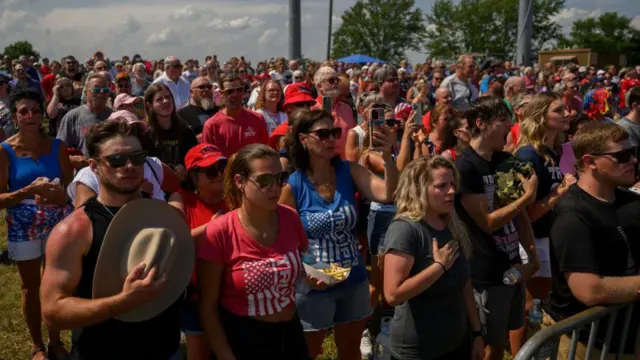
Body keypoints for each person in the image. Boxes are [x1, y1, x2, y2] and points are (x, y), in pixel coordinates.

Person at [40, 120, 185, 360]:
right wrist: (123, 302)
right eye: (116, 160)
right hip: (102, 352)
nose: (129, 166)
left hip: (167, 350)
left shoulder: (160, 212)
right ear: (94, 167)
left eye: (137, 157)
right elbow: (52, 310)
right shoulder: (74, 230)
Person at [279, 108, 399, 359]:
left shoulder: (349, 170)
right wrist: (309, 269)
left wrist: (388, 158)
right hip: (314, 284)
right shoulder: (294, 185)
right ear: (303, 139)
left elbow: (387, 194)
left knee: (350, 350)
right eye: (322, 134)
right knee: (308, 352)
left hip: (353, 279)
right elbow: (283, 239)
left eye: (334, 132)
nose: (331, 139)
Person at [197, 144, 310, 359]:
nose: (275, 188)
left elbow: (305, 262)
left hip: (291, 334)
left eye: (280, 178)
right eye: (264, 181)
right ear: (240, 182)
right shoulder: (220, 232)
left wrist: (321, 273)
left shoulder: (290, 217)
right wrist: (225, 355)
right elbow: (207, 307)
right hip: (244, 339)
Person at [545, 122, 640, 360]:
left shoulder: (632, 203)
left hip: (626, 337)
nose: (633, 161)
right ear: (590, 162)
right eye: (622, 156)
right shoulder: (572, 214)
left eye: (634, 153)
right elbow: (589, 289)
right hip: (584, 344)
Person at [454, 96, 539, 360]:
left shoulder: (503, 159)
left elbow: (520, 215)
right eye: (503, 120)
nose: (509, 127)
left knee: (501, 340)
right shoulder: (466, 166)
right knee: (485, 346)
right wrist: (527, 196)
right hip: (484, 272)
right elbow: (488, 222)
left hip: (511, 263)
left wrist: (531, 256)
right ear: (480, 123)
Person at [383, 156, 484, 360]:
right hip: (418, 351)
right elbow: (392, 295)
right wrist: (438, 267)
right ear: (419, 189)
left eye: (452, 184)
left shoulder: (452, 224)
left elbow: (464, 285)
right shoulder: (405, 230)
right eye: (441, 186)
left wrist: (477, 333)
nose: (452, 191)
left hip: (457, 344)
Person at [0, 89, 73, 360]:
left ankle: (55, 340)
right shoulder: (5, 151)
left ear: (42, 115)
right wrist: (26, 192)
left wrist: (59, 194)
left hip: (56, 221)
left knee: (54, 282)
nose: (30, 116)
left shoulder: (57, 146)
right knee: (30, 286)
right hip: (22, 224)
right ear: (15, 116)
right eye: (23, 111)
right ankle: (37, 345)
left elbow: (72, 189)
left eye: (35, 110)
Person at [510, 91, 577, 353]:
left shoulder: (554, 151)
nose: (567, 114)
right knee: (527, 306)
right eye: (559, 110)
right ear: (540, 117)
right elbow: (524, 213)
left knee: (539, 304)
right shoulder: (528, 155)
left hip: (551, 237)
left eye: (566, 109)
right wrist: (560, 192)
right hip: (533, 239)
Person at [168, 143, 227, 360]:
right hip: (195, 294)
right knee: (199, 351)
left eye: (223, 166)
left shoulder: (237, 197)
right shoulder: (181, 199)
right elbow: (176, 244)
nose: (220, 174)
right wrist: (212, 227)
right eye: (211, 171)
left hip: (231, 291)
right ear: (194, 177)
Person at [202, 73, 268, 157]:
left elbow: (265, 152)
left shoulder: (258, 119)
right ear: (221, 93)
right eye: (230, 91)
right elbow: (207, 158)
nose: (235, 94)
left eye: (239, 90)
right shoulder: (211, 125)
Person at [56, 74, 113, 168]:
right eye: (97, 89)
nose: (101, 93)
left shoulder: (113, 116)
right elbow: (58, 151)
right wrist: (72, 159)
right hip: (84, 172)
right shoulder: (72, 117)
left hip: (110, 171)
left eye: (105, 90)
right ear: (86, 93)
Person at [144, 83, 198, 179]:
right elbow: (145, 165)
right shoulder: (144, 133)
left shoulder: (185, 130)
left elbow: (195, 159)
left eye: (168, 97)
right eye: (159, 99)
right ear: (150, 106)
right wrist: (171, 169)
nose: (166, 101)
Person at [177, 77, 220, 141]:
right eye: (202, 87)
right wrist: (195, 139)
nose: (206, 89)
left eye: (209, 87)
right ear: (191, 92)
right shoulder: (181, 115)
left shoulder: (219, 111)